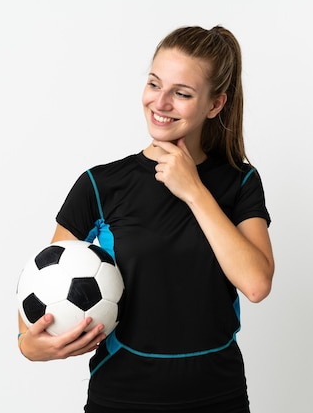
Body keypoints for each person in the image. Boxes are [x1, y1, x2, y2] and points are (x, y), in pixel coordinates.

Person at [17, 24, 275, 413]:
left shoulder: (239, 183)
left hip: (217, 397)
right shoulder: (99, 186)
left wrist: (194, 191)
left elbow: (256, 284)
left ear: (215, 105)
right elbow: (45, 293)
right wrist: (30, 345)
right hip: (121, 400)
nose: (161, 102)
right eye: (155, 84)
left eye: (182, 93)